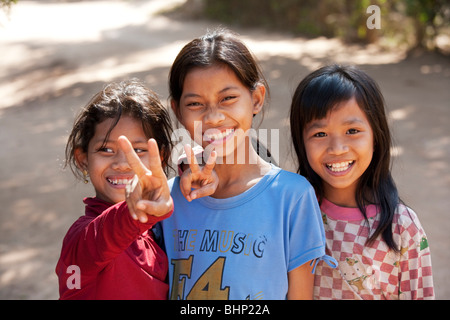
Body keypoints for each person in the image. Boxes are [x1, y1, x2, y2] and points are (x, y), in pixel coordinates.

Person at [161, 28, 333, 300]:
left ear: (256, 99)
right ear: (178, 111)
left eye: (228, 98)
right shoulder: (171, 199)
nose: (214, 117)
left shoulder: (292, 197)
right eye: (195, 103)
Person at [289, 64, 435, 299]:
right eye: (320, 134)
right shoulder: (294, 214)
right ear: (301, 142)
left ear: (376, 136)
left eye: (352, 131)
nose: (337, 148)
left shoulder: (402, 228)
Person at [55, 79, 176, 299]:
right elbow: (106, 234)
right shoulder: (81, 239)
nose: (122, 163)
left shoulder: (157, 232)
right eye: (106, 149)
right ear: (82, 159)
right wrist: (137, 213)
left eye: (138, 149)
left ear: (162, 157)